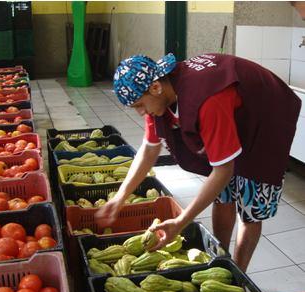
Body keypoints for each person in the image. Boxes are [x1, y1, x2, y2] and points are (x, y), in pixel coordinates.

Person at [95, 53, 301, 271]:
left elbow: (223, 170)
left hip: (264, 116)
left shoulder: (207, 100)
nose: (140, 112)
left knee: (251, 205)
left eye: (139, 105)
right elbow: (148, 150)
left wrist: (181, 221)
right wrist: (120, 197)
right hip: (234, 113)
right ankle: (221, 258)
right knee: (223, 195)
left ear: (155, 88)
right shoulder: (156, 91)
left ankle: (239, 273)